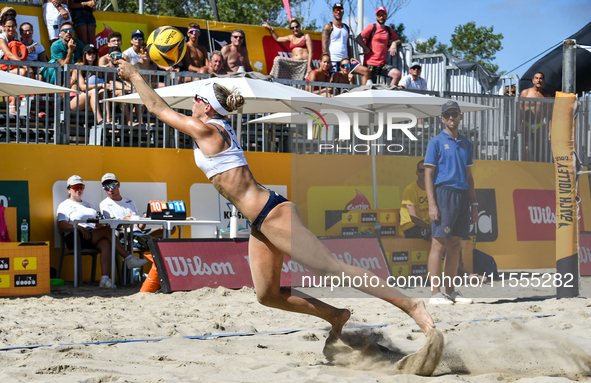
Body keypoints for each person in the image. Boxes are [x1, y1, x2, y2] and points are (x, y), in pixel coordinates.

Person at [117, 59, 437, 338]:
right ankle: (335, 315)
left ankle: (412, 305)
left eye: (197, 100)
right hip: (261, 221)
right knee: (267, 295)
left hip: (272, 214)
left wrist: (135, 75)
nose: (193, 104)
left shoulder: (208, 130)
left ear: (208, 106)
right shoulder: (215, 126)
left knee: (332, 268)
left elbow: (158, 109)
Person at [424, 101, 477, 305]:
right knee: (438, 244)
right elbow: (428, 174)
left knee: (455, 245)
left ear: (460, 116)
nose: (451, 117)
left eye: (455, 114)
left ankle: (451, 291)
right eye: (448, 115)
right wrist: (432, 203)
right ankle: (435, 293)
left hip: (462, 195)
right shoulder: (435, 142)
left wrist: (474, 205)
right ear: (442, 119)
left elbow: (470, 177)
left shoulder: (466, 143)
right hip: (444, 194)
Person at [57, 175, 148, 288]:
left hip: (91, 234)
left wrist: (99, 225)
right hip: (76, 236)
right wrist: (80, 227)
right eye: (75, 187)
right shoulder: (64, 205)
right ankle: (129, 258)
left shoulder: (87, 205)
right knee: (107, 230)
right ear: (69, 189)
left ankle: (104, 279)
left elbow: (95, 222)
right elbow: (61, 223)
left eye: (81, 187)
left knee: (106, 243)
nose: (78, 190)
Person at [99, 173, 172, 246]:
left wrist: (145, 218)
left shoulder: (130, 201)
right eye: (106, 188)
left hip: (138, 233)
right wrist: (123, 221)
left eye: (112, 185)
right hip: (125, 235)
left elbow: (140, 227)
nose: (110, 189)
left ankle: (145, 239)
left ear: (118, 185)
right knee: (154, 243)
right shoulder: (104, 204)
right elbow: (111, 227)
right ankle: (146, 239)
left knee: (170, 229)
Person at [322, 3, 370, 84]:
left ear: (343, 12)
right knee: (334, 83)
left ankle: (363, 94)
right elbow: (324, 45)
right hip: (334, 61)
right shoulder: (329, 26)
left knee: (366, 71)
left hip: (346, 63)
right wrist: (327, 61)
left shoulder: (346, 27)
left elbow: (348, 45)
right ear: (333, 13)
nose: (338, 12)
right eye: (336, 10)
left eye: (340, 10)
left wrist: (351, 57)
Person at [355, 7, 402, 86]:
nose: (381, 17)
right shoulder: (371, 27)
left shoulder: (388, 29)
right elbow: (358, 38)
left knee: (396, 74)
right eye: (379, 15)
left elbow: (399, 39)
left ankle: (390, 95)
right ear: (376, 16)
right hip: (370, 63)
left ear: (386, 16)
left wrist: (394, 44)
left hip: (382, 64)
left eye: (383, 15)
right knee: (368, 88)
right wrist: (366, 48)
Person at [520, 72, 553, 161]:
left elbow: (549, 114)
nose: (539, 80)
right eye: (537, 78)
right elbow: (519, 110)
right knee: (525, 147)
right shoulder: (525, 93)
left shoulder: (546, 96)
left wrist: (550, 131)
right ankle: (525, 167)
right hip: (526, 123)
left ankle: (536, 168)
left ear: (544, 81)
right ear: (533, 81)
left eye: (541, 78)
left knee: (538, 149)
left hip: (539, 124)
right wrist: (519, 125)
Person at [69, 44, 104, 124]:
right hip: (75, 99)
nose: (92, 55)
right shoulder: (79, 67)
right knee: (94, 91)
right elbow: (83, 87)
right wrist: (101, 85)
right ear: (84, 54)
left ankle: (108, 120)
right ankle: (100, 120)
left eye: (94, 53)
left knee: (103, 92)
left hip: (90, 101)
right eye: (89, 52)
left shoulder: (98, 70)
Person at [400, 160, 431, 241]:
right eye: (421, 170)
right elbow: (414, 218)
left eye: (427, 170)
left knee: (449, 235)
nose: (424, 173)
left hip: (427, 226)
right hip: (411, 227)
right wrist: (431, 227)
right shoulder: (410, 190)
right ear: (417, 173)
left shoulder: (434, 189)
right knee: (437, 236)